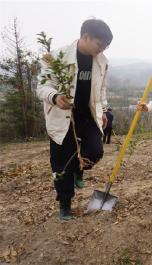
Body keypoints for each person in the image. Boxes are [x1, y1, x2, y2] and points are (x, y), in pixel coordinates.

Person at [36, 19, 113, 220]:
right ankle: (64, 204)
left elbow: (101, 88)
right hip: (62, 118)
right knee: (61, 163)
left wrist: (103, 109)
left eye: (105, 46)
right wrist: (55, 97)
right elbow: (41, 87)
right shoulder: (57, 58)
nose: (101, 49)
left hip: (87, 116)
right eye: (99, 44)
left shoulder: (101, 61)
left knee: (95, 151)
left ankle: (80, 169)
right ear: (86, 36)